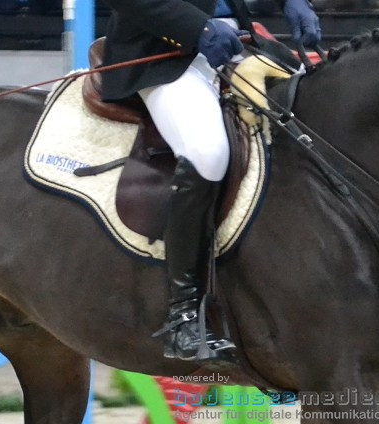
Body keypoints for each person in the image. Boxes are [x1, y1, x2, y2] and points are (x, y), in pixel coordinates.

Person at [99, 0, 321, 363]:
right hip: (166, 54)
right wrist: (197, 27)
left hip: (242, 46)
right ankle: (183, 315)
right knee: (207, 152)